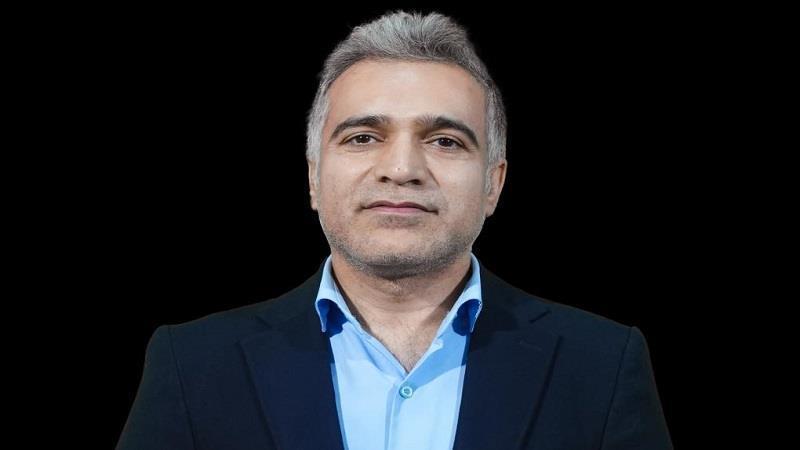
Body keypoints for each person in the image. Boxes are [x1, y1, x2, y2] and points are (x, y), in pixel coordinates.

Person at [116, 10, 672, 450]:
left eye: (445, 141)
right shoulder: (191, 365)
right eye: (362, 137)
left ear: (494, 184)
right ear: (313, 178)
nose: (402, 168)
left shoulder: (603, 364)